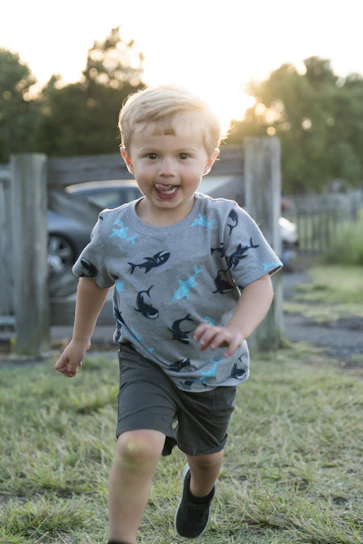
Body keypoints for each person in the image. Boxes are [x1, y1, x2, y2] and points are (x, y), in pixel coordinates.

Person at [55, 84, 283, 544]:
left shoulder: (226, 220)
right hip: (145, 357)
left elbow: (260, 282)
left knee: (206, 459)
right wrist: (79, 340)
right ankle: (122, 538)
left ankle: (199, 491)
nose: (167, 170)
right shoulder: (114, 227)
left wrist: (236, 331)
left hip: (212, 366)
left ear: (209, 160)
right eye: (152, 155)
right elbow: (93, 278)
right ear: (128, 159)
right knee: (138, 446)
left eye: (183, 156)